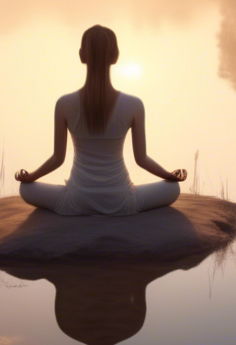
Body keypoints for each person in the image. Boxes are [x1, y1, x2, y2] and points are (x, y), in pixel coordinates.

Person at [14, 25, 187, 215]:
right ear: (116, 56)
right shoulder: (134, 105)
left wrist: (31, 177)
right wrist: (169, 176)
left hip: (77, 201)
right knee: (173, 189)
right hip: (121, 201)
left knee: (26, 189)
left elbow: (57, 159)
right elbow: (141, 159)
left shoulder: (64, 104)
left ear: (81, 55)